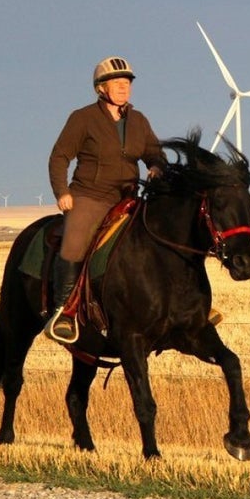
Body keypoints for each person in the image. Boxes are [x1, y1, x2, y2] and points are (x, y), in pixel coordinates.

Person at [43, 56, 165, 344]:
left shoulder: (139, 120)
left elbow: (154, 151)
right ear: (101, 88)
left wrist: (157, 165)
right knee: (74, 241)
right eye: (118, 83)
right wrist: (62, 192)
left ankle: (183, 305)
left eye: (128, 83)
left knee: (163, 234)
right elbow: (60, 156)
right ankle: (65, 312)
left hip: (129, 196)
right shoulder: (82, 118)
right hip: (90, 196)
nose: (124, 88)